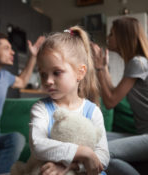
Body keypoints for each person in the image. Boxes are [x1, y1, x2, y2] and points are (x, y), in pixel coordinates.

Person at [29, 26, 109, 175]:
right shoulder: (41, 108)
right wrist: (83, 152)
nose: (48, 81)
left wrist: (71, 166)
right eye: (43, 74)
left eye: (56, 72)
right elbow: (37, 144)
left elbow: (103, 157)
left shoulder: (93, 111)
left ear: (80, 72)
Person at [0, 32, 45, 175]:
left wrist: (33, 56)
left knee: (17, 139)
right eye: (6, 48)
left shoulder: (5, 77)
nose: (12, 52)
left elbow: (23, 81)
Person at [91, 17, 148, 175]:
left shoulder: (138, 63)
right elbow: (112, 92)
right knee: (94, 138)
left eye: (112, 34)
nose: (108, 38)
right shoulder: (135, 63)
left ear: (123, 36)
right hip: (142, 135)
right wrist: (103, 67)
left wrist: (100, 68)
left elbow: (110, 101)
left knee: (101, 154)